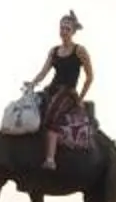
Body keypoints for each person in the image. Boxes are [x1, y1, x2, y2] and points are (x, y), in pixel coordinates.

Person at [23, 11, 94, 170]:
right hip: (52, 89)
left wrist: (80, 98)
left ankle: (50, 159)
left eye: (67, 28)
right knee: (32, 109)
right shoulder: (54, 51)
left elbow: (90, 77)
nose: (63, 31)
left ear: (73, 31)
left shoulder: (79, 51)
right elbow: (43, 72)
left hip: (68, 92)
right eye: (61, 28)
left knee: (51, 118)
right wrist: (32, 84)